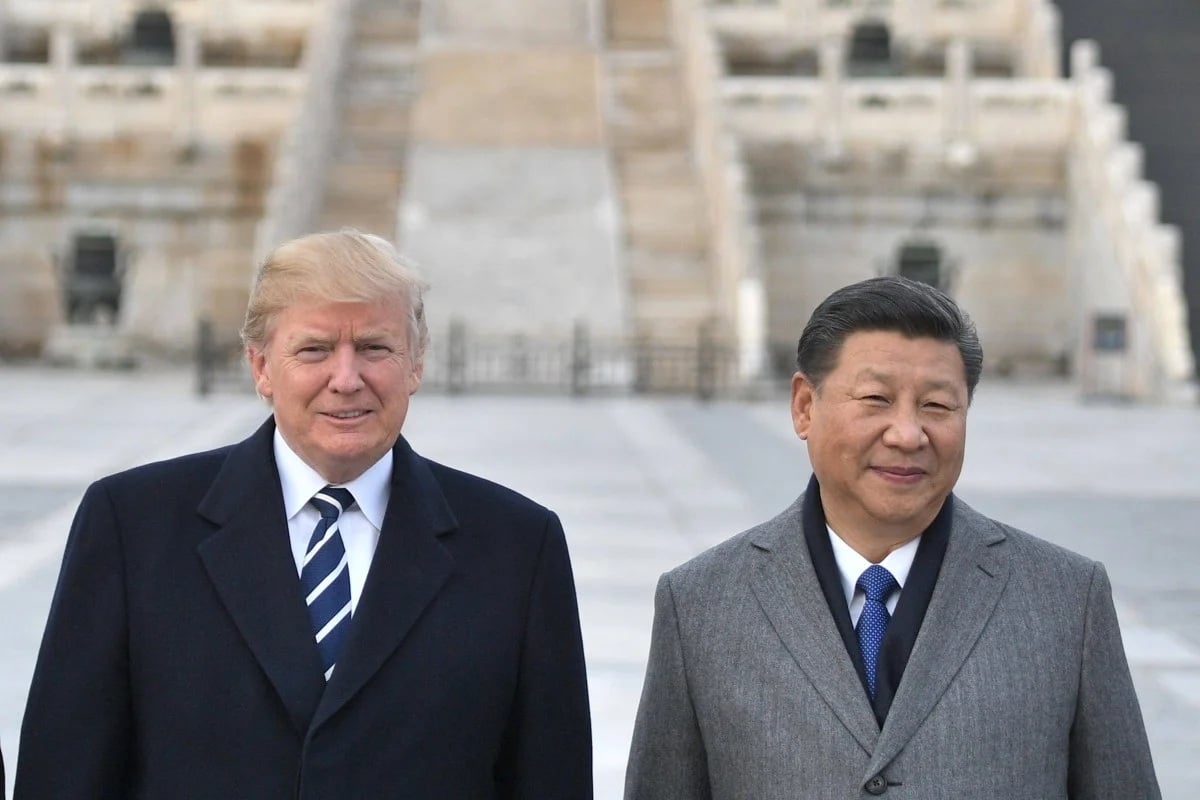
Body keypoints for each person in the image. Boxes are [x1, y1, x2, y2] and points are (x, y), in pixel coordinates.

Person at [16, 230, 593, 798]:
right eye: (314, 350)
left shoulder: (518, 547)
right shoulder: (132, 526)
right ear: (261, 367)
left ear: (415, 364)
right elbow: (64, 772)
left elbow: (549, 776)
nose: (346, 379)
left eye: (374, 348)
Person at [624, 276, 1159, 799]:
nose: (907, 434)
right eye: (876, 398)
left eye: (937, 406)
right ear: (804, 406)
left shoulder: (1066, 600)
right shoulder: (701, 604)